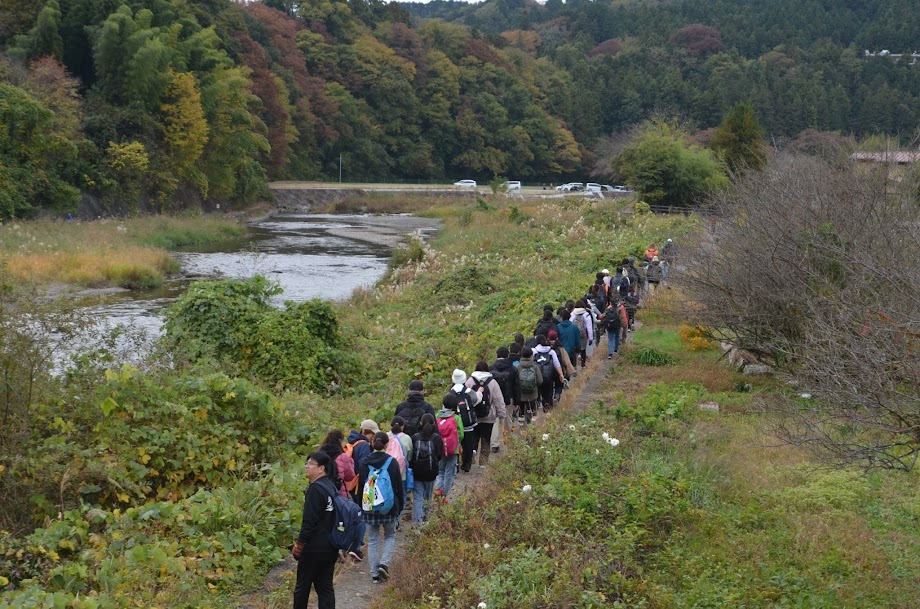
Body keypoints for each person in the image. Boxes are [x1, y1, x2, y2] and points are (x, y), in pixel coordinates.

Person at [292, 452, 339, 609]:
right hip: (330, 545)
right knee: (325, 588)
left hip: (313, 548)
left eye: (311, 464)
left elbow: (309, 522)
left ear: (321, 468)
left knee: (302, 588)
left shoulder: (315, 490)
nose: (307, 466)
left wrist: (299, 546)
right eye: (307, 463)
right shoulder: (330, 486)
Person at [358, 432, 405, 584]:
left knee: (372, 540)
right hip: (389, 507)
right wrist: (400, 508)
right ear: (386, 445)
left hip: (369, 506)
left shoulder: (364, 462)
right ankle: (384, 563)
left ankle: (374, 575)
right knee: (390, 535)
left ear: (372, 444)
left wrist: (362, 506)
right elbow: (398, 487)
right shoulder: (392, 462)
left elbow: (361, 487)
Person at [465, 361, 506, 468]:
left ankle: (473, 451)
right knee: (486, 438)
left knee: (474, 436)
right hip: (489, 416)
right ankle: (483, 462)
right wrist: (501, 414)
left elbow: (465, 399)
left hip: (473, 416)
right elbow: (498, 399)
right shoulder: (492, 382)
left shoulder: (470, 381)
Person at [409, 413, 443, 523]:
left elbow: (411, 456)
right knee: (427, 497)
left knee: (418, 497)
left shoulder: (415, 437)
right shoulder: (437, 438)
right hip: (431, 472)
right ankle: (425, 519)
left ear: (420, 423)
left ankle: (417, 523)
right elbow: (439, 455)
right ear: (434, 424)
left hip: (417, 473)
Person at [449, 369, 482, 473]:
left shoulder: (450, 393)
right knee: (468, 444)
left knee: (456, 444)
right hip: (468, 423)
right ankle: (466, 464)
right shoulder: (468, 391)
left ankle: (456, 464)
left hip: (455, 424)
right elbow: (476, 400)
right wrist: (479, 393)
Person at [490, 347, 519, 452]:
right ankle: (508, 440)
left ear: (496, 355)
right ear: (507, 355)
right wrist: (517, 401)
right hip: (509, 397)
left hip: (494, 399)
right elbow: (516, 386)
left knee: (495, 420)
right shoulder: (513, 369)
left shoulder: (491, 368)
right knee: (508, 419)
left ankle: (494, 444)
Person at [435, 393, 463, 499]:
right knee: (449, 473)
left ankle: (438, 488)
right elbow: (461, 434)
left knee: (440, 470)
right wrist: (457, 443)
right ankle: (444, 495)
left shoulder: (437, 416)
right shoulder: (456, 418)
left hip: (440, 449)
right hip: (453, 449)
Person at [319, 429, 356, 499]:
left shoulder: (319, 454)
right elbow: (350, 477)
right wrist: (351, 461)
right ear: (340, 440)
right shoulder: (342, 456)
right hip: (339, 493)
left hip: (321, 491)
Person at [532, 335, 564, 412]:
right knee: (548, 394)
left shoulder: (534, 351)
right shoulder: (551, 351)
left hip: (537, 377)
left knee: (537, 393)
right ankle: (547, 410)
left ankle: (536, 407)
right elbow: (557, 364)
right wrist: (561, 374)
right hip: (548, 377)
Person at [516, 346, 543, 423]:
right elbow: (540, 381)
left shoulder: (518, 367)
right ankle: (530, 425)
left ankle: (521, 424)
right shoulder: (535, 367)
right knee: (531, 410)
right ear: (532, 355)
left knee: (521, 411)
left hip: (521, 395)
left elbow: (516, 382)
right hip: (532, 394)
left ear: (521, 355)